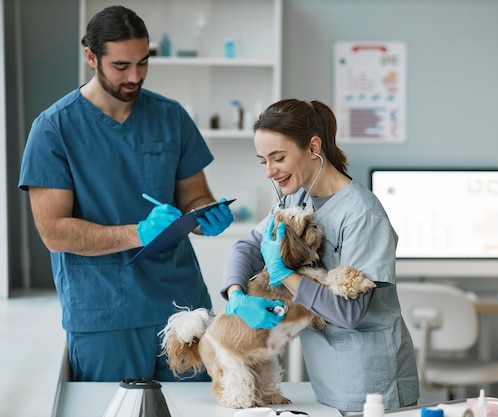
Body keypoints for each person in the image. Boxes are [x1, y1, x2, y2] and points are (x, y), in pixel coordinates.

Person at [18, 5, 234, 382]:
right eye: (121, 66)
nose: (135, 76)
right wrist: (140, 232)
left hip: (182, 306)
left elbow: (195, 196)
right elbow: (54, 232)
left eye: (143, 62)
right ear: (91, 57)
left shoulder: (171, 117)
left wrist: (206, 216)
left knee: (199, 408)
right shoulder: (54, 129)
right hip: (105, 312)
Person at [220, 99, 419, 412]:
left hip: (370, 383)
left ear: (313, 147)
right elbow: (247, 247)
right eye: (263, 161)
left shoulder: (362, 215)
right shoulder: (296, 198)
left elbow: (349, 313)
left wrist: (285, 274)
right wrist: (235, 294)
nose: (270, 172)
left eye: (278, 158)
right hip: (327, 378)